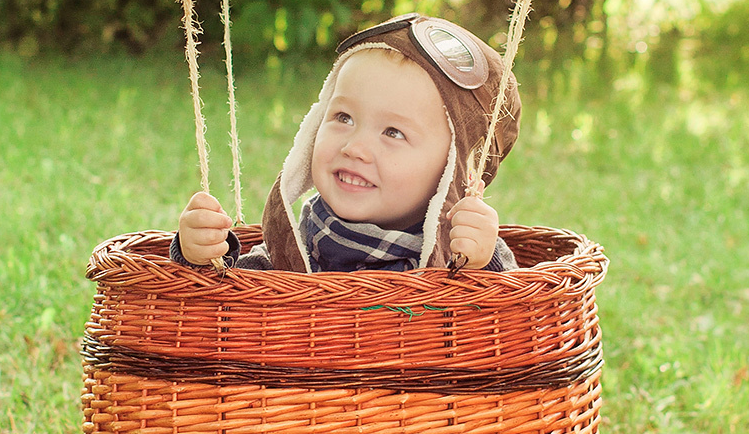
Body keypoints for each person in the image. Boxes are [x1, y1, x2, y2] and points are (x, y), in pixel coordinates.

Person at [172, 14, 520, 273]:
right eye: (343, 118)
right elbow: (220, 308)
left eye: (393, 133)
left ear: (454, 172)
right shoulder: (298, 246)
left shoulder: (459, 252)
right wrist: (200, 256)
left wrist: (483, 265)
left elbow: (510, 324)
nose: (354, 147)